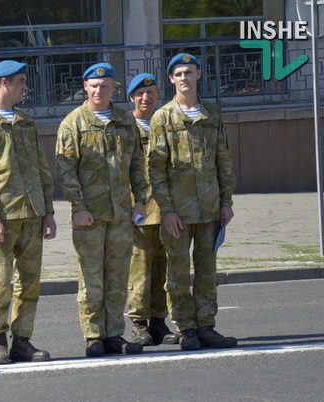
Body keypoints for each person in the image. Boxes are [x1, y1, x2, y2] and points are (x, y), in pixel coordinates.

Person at [0, 60, 56, 365]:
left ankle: (23, 341)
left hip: (31, 213)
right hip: (2, 217)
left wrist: (48, 211)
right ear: (4, 84)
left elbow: (41, 168)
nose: (25, 88)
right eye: (21, 82)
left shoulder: (26, 122)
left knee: (29, 283)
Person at [55, 63, 148, 357]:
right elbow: (66, 169)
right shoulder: (74, 123)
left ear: (114, 88)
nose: (99, 90)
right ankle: (93, 336)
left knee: (118, 278)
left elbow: (136, 164)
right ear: (85, 87)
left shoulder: (124, 120)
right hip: (89, 217)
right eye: (94, 86)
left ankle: (113, 335)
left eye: (105, 86)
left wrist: (141, 201)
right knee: (91, 278)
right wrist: (78, 207)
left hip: (121, 214)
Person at [148, 53, 238, 350]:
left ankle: (206, 326)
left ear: (198, 74)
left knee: (206, 271)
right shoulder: (163, 117)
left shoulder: (212, 114)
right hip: (178, 212)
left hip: (210, 207)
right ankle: (186, 328)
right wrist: (167, 210)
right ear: (171, 79)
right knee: (177, 271)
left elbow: (222, 160)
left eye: (189, 72)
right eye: (178, 74)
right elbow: (156, 169)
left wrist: (227, 201)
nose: (184, 78)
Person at [124, 73, 180, 347]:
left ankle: (159, 322)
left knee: (162, 270)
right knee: (140, 271)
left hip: (166, 209)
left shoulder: (166, 124)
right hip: (141, 210)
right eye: (140, 94)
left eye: (151, 93)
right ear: (132, 97)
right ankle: (139, 324)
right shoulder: (126, 128)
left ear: (158, 95)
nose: (146, 98)